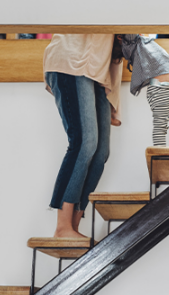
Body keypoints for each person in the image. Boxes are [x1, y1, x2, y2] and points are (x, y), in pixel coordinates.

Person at [43, 34, 123, 238]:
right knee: (84, 143)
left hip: (99, 72)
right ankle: (62, 227)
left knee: (100, 153)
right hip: (72, 62)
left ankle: (73, 226)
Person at [112, 34, 169, 147]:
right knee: (160, 129)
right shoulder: (133, 42)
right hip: (161, 91)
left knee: (161, 127)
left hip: (166, 90)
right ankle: (160, 156)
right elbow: (130, 27)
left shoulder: (142, 42)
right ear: (121, 37)